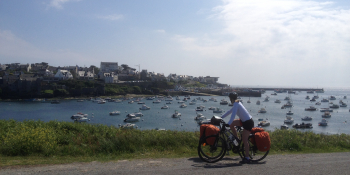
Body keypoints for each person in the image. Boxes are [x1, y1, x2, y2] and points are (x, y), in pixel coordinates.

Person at [221, 92, 254, 164]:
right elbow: (230, 111)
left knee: (245, 140)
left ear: (231, 98)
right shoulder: (237, 102)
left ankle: (247, 158)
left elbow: (233, 115)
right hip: (243, 121)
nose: (229, 99)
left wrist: (228, 123)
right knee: (232, 124)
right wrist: (221, 117)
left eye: (229, 98)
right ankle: (236, 139)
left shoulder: (236, 103)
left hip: (248, 122)